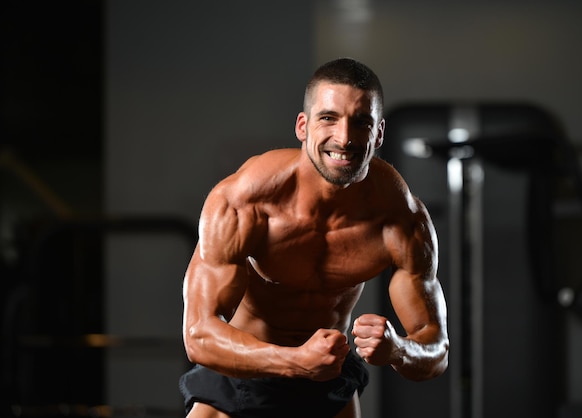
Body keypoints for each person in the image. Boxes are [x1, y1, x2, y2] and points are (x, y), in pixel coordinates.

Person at [179, 58, 449, 418]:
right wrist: (294, 361)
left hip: (326, 379)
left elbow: (436, 348)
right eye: (329, 118)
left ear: (379, 133)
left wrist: (398, 349)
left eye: (361, 122)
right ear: (303, 126)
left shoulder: (400, 220)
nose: (345, 138)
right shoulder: (247, 201)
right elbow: (199, 335)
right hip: (242, 371)